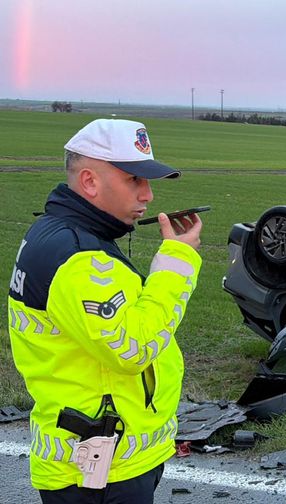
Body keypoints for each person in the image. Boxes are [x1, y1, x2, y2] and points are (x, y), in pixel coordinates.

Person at [7, 118, 203, 503]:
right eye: (134, 180)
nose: (147, 195)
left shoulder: (60, 233)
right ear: (90, 181)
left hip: (101, 460)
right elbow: (133, 347)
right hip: (99, 472)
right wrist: (177, 264)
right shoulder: (79, 257)